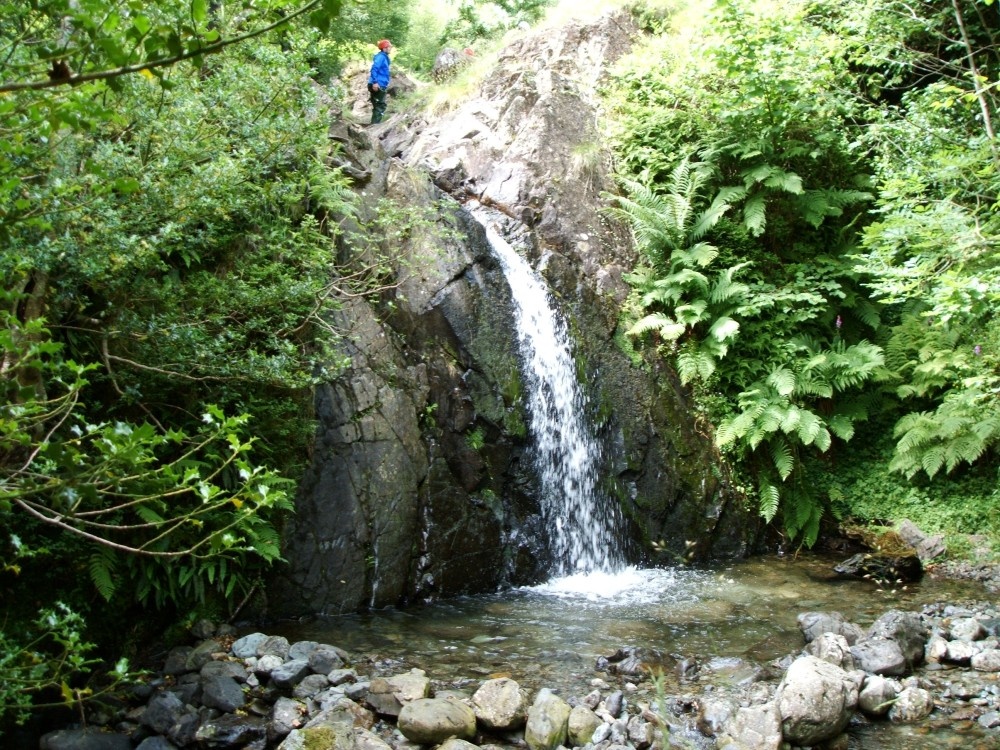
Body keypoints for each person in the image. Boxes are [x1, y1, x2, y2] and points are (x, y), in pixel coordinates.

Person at [367, 39, 392, 124]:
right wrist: (375, 82)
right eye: (389, 47)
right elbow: (374, 68)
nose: (390, 48)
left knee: (378, 105)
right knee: (380, 105)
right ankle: (375, 126)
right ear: (384, 48)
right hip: (377, 84)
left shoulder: (383, 57)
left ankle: (373, 125)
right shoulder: (381, 57)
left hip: (379, 84)